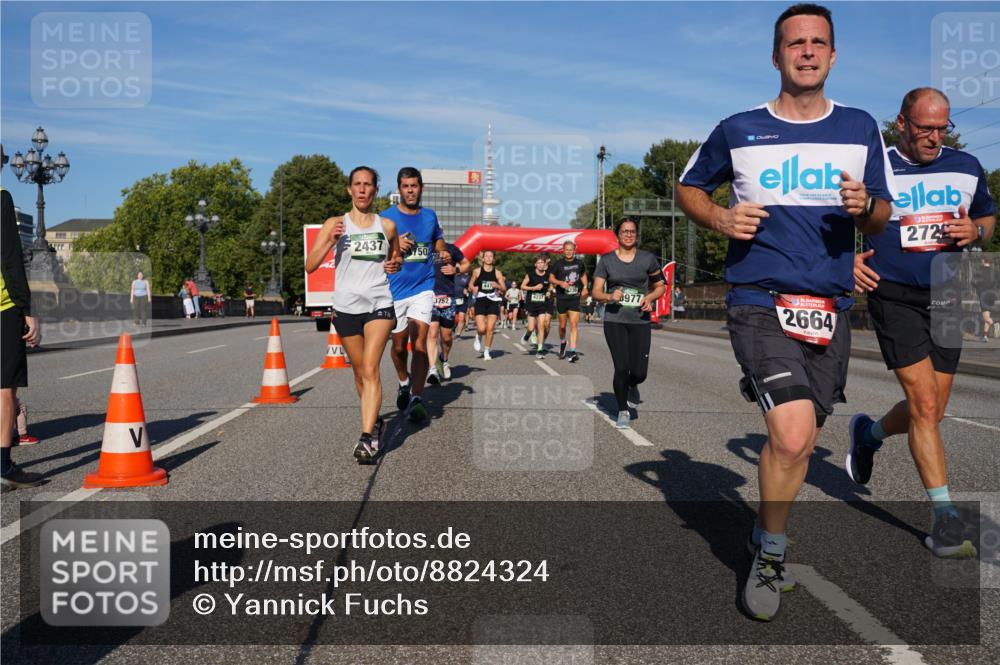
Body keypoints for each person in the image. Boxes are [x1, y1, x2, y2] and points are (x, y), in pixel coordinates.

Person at [676, 3, 895, 621]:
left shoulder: (859, 127)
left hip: (829, 305)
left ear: (832, 55)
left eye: (817, 42)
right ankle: (771, 552)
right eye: (794, 43)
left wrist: (865, 209)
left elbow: (883, 213)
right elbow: (688, 186)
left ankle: (765, 531)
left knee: (797, 448)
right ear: (776, 56)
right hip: (759, 300)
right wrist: (718, 216)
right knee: (793, 433)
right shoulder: (739, 128)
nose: (806, 51)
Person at [851, 87, 995, 559]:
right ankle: (947, 519)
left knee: (933, 411)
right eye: (925, 128)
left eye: (942, 128)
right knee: (924, 401)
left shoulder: (967, 167)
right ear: (901, 124)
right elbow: (835, 220)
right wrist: (847, 261)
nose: (934, 137)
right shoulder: (877, 167)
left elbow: (987, 217)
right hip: (893, 293)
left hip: (951, 290)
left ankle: (869, 436)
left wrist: (976, 231)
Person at [305, 166, 402, 463]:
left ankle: (366, 438)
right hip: (346, 306)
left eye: (368, 185)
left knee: (371, 369)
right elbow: (310, 265)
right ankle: (376, 423)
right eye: (357, 185)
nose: (362, 190)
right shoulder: (335, 223)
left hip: (379, 304)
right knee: (359, 374)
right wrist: (331, 240)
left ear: (375, 190)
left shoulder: (387, 226)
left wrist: (394, 265)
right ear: (349, 190)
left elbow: (396, 258)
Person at [381, 167, 450, 424]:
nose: (410, 190)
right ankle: (403, 381)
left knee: (420, 342)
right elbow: (377, 251)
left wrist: (442, 251)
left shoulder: (430, 217)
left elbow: (438, 241)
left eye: (415, 186)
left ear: (421, 188)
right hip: (395, 289)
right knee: (398, 346)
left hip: (423, 287)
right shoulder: (386, 218)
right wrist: (395, 241)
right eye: (406, 186)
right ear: (399, 189)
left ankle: (418, 398)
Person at [592, 219, 666, 427]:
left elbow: (660, 286)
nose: (628, 235)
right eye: (624, 231)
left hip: (640, 321)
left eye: (632, 231)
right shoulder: (607, 260)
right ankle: (623, 409)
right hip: (615, 320)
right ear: (618, 235)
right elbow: (595, 292)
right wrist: (609, 296)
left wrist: (650, 298)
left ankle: (633, 385)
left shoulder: (647, 259)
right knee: (622, 367)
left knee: (640, 372)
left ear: (636, 235)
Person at [1, 144, 44, 488]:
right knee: (4, 389)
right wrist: (27, 310)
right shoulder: (1, 197)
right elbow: (12, 257)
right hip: (3, 307)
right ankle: (3, 467)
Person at [427, 242, 470, 385]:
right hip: (429, 295)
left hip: (448, 296)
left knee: (446, 337)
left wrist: (456, 269)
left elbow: (466, 264)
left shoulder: (451, 249)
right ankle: (432, 369)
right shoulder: (425, 246)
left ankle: (444, 360)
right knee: (432, 332)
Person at [549, 240, 589, 362]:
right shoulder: (558, 264)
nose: (569, 252)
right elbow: (551, 277)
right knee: (562, 326)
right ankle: (562, 342)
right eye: (566, 249)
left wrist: (586, 287)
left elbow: (583, 275)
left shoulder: (579, 263)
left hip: (574, 298)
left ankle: (572, 351)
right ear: (563, 250)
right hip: (562, 298)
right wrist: (560, 282)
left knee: (573, 325)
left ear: (574, 250)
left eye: (571, 249)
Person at [470, 250, 507, 360]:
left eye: (491, 256)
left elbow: (504, 289)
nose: (489, 258)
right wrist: (473, 288)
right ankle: (478, 335)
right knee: (482, 329)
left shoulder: (497, 273)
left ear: (493, 259)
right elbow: (471, 283)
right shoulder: (477, 271)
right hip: (481, 300)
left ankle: (486, 351)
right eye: (486, 256)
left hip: (493, 300)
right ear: (483, 258)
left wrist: (497, 285)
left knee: (490, 328)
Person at [521, 255, 554, 358]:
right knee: (531, 328)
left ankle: (540, 350)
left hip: (542, 304)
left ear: (545, 265)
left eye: (542, 263)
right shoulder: (530, 275)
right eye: (538, 263)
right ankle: (527, 334)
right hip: (531, 303)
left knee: (541, 326)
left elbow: (551, 285)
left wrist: (549, 291)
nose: (540, 265)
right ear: (535, 264)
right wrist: (533, 288)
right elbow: (522, 286)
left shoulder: (548, 275)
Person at [454, 271, 471, 336]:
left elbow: (471, 287)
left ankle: (458, 334)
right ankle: (454, 327)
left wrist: (467, 289)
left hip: (463, 299)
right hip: (453, 299)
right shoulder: (451, 276)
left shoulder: (467, 277)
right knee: (453, 318)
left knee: (462, 317)